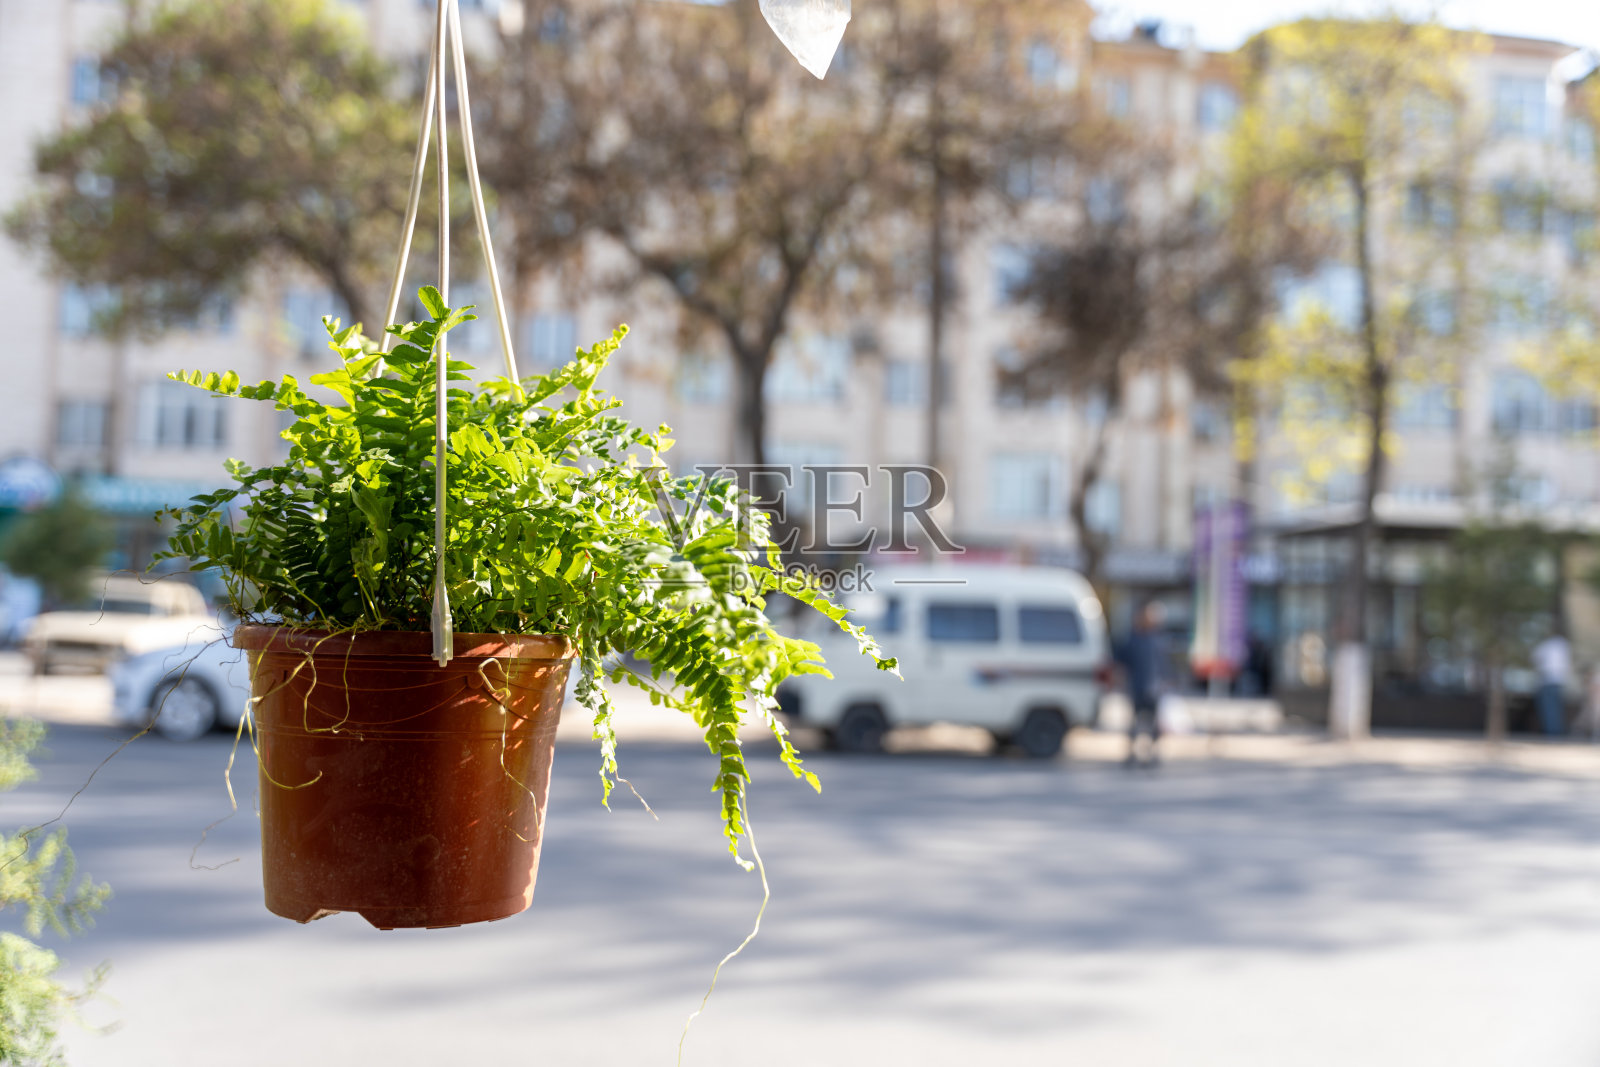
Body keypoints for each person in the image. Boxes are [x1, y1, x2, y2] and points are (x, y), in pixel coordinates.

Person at [1116, 601, 1167, 767]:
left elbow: (1163, 665)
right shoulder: (1133, 639)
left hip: (1154, 688)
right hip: (1137, 687)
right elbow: (1121, 661)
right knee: (1134, 724)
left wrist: (1167, 681)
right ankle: (1132, 754)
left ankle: (1152, 754)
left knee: (1153, 725)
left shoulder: (1157, 640)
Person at [1532, 632, 1572, 738]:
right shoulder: (1564, 645)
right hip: (1559, 681)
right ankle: (1557, 732)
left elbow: (1535, 657)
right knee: (1557, 709)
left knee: (1548, 708)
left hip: (1547, 680)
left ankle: (1551, 733)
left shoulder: (1546, 644)